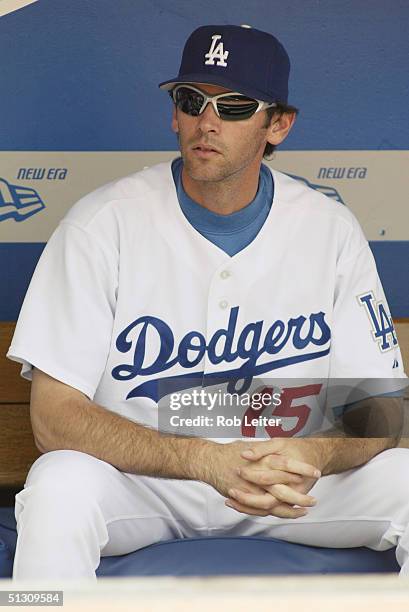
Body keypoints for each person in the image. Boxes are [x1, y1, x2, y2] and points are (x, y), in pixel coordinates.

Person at [7, 24, 408, 580]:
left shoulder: (329, 229)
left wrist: (315, 455)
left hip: (292, 481)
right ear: (175, 114)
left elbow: (381, 408)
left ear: (279, 125)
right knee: (57, 489)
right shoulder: (103, 224)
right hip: (150, 482)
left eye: (236, 105)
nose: (208, 121)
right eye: (191, 101)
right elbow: (54, 419)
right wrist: (199, 459)